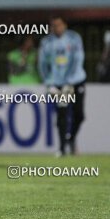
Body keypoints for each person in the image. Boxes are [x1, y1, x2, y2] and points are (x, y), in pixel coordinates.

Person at [39, 16, 86, 156]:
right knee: (62, 114)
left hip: (75, 81)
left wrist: (69, 80)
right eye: (53, 25)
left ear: (64, 25)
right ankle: (62, 148)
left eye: (58, 25)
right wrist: (48, 82)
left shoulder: (74, 38)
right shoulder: (46, 42)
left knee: (79, 114)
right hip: (58, 84)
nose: (56, 28)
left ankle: (70, 139)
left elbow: (78, 59)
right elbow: (42, 64)